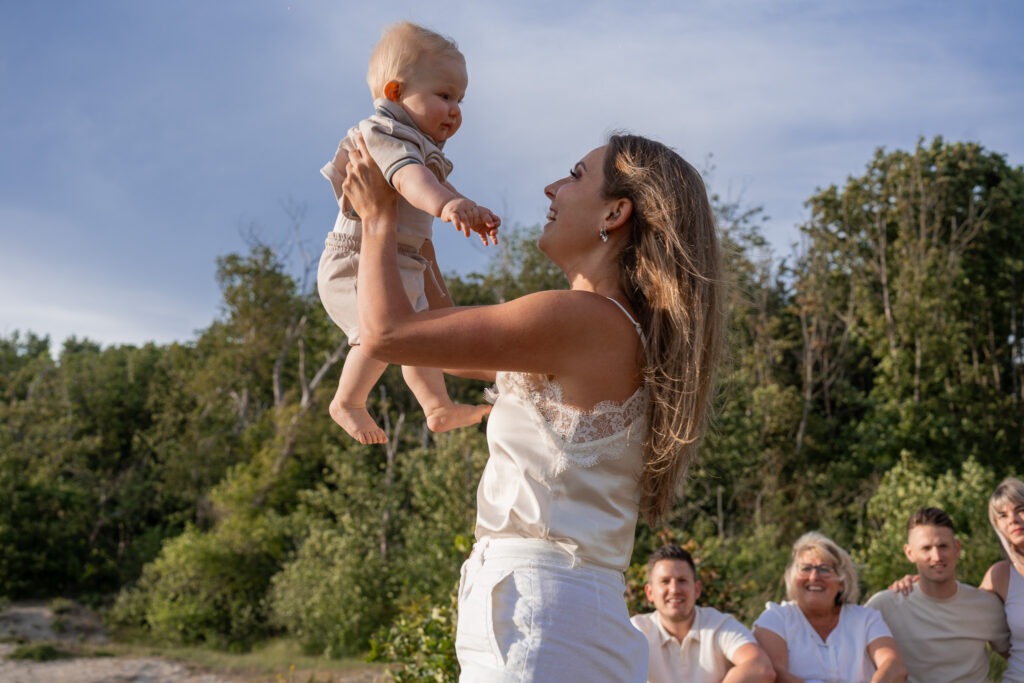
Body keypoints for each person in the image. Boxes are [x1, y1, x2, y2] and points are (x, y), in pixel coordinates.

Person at [342, 129, 726, 681]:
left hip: (539, 617)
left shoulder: (579, 319)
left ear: (616, 212)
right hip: (556, 612)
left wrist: (377, 217)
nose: (551, 188)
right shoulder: (611, 329)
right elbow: (441, 346)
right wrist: (416, 235)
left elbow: (388, 335)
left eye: (574, 176)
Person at [317, 21, 499, 445]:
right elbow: (408, 179)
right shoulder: (384, 131)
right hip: (358, 258)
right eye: (444, 95)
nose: (455, 110)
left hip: (399, 260)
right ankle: (347, 401)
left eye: (460, 99)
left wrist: (467, 206)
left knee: (417, 338)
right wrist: (447, 205)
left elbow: (433, 180)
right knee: (377, 334)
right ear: (396, 93)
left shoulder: (419, 144)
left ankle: (437, 407)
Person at [864, 507, 1009, 683]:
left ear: (957, 548)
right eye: (926, 548)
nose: (937, 556)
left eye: (943, 546)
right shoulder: (884, 606)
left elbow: (1017, 657)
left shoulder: (985, 605)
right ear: (909, 553)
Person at [752, 532, 906, 683]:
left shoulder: (866, 619)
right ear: (793, 578)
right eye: (805, 569)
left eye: (824, 569)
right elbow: (775, 673)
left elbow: (894, 667)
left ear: (841, 582)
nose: (814, 577)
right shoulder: (775, 618)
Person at [631, 544, 775, 683]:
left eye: (682, 580)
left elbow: (761, 667)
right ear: (649, 593)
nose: (674, 589)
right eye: (665, 581)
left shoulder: (719, 625)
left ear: (697, 589)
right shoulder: (636, 630)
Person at [981, 477, 1024, 682]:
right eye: (1003, 515)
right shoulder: (1000, 575)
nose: (1013, 519)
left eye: (1020, 509)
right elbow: (958, 605)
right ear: (997, 525)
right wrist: (922, 580)